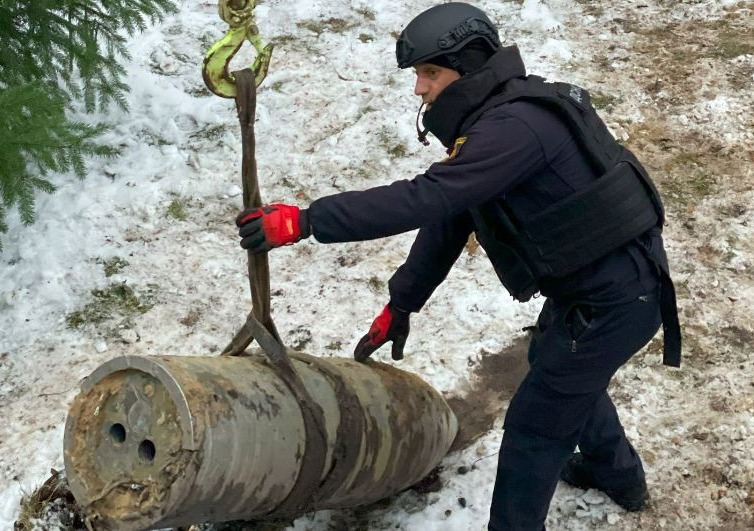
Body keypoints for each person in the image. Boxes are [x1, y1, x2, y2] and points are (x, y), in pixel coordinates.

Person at [235, 3, 681, 529]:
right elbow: (451, 217)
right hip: (601, 289)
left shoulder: (514, 128)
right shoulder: (498, 120)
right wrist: (402, 302)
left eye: (430, 73)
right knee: (558, 369)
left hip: (615, 299)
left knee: (536, 430)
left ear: (467, 69)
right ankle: (617, 474)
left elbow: (423, 199)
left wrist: (307, 220)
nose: (419, 89)